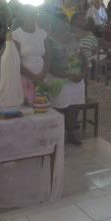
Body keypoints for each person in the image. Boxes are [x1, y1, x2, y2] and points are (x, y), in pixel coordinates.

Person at [45, 14, 85, 145]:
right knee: (59, 106)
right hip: (58, 78)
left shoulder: (74, 38)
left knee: (74, 105)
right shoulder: (49, 40)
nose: (64, 25)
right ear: (55, 24)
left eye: (66, 22)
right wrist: (67, 75)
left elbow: (83, 57)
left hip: (76, 77)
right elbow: (49, 65)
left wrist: (82, 74)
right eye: (61, 23)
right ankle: (57, 134)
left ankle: (71, 133)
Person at [12, 5, 49, 105]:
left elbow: (48, 57)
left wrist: (43, 74)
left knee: (42, 106)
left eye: (34, 14)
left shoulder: (42, 33)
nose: (32, 17)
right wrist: (33, 77)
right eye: (29, 14)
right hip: (24, 78)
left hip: (42, 76)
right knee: (27, 110)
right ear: (22, 16)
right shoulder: (16, 35)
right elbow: (16, 61)